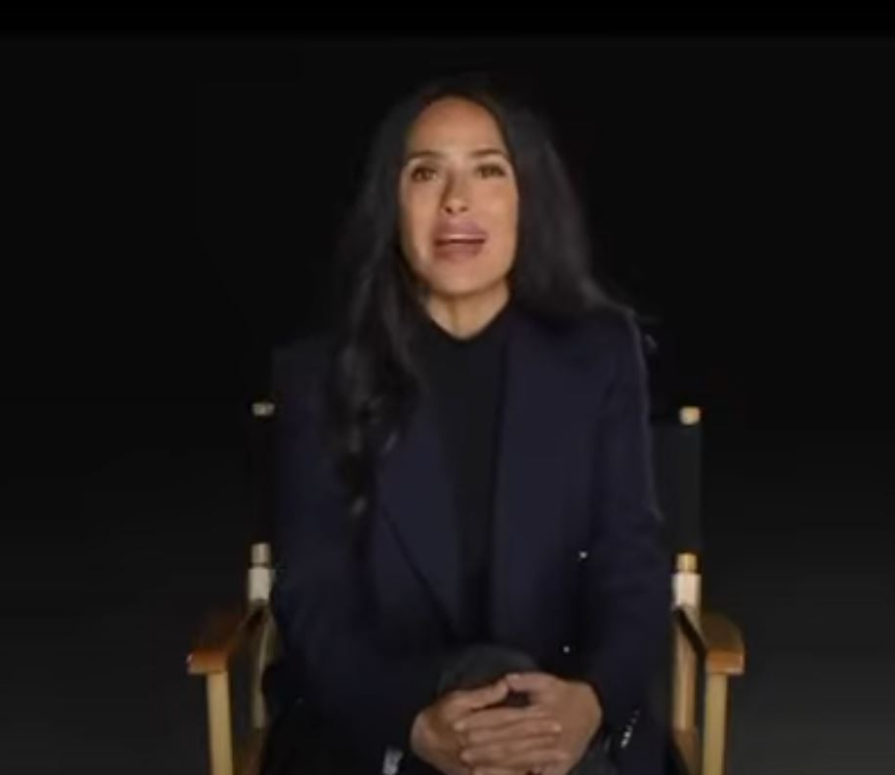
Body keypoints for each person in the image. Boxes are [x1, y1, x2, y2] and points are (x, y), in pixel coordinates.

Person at [261, 74, 671, 775]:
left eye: (488, 170)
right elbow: (315, 597)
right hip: (382, 724)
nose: (457, 199)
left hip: (563, 715)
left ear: (526, 200)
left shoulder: (600, 355)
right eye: (426, 173)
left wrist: (591, 702)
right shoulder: (318, 375)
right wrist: (412, 725)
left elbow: (629, 562)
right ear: (391, 205)